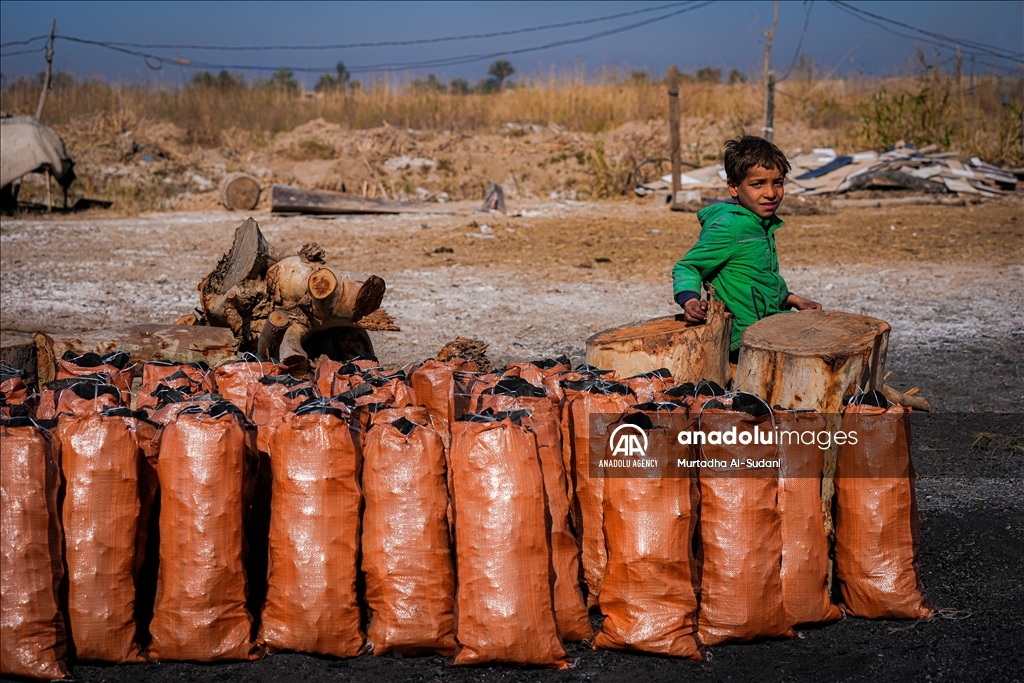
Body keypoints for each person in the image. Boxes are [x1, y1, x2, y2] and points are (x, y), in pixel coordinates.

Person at [672, 136, 821, 362]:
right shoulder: (729, 227)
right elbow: (688, 266)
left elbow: (759, 279)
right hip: (742, 342)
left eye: (777, 182)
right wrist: (690, 301)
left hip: (767, 331)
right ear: (733, 187)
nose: (770, 193)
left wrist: (793, 300)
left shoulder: (761, 224)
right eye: (757, 184)